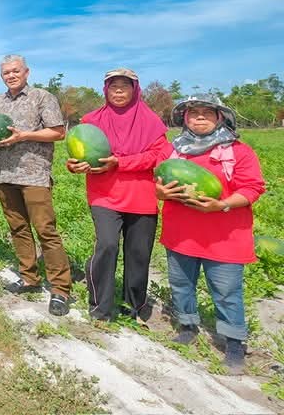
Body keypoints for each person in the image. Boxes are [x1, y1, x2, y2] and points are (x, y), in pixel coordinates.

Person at [156, 93, 265, 374]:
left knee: (227, 292)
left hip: (225, 237)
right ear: (185, 119)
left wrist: (222, 204)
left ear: (219, 117)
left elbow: (253, 187)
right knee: (181, 284)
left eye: (207, 112)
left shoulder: (238, 151)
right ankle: (187, 326)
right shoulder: (172, 151)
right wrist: (160, 192)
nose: (200, 117)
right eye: (193, 113)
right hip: (181, 234)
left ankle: (234, 343)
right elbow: (156, 181)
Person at [66, 68, 168, 321]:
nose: (119, 91)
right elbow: (80, 152)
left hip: (141, 196)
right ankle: (100, 307)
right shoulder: (91, 120)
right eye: (113, 86)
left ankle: (133, 306)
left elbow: (159, 155)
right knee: (107, 245)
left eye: (125, 86)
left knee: (138, 253)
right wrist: (74, 165)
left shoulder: (151, 121)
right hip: (104, 195)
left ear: (135, 90)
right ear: (106, 90)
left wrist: (120, 163)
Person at [0, 55, 72, 317]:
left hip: (34, 175)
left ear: (26, 72)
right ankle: (29, 277)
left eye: (15, 71)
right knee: (18, 228)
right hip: (5, 173)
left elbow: (58, 132)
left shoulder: (42, 97)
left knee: (45, 229)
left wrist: (23, 136)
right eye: (6, 72)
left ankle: (60, 288)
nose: (11, 76)